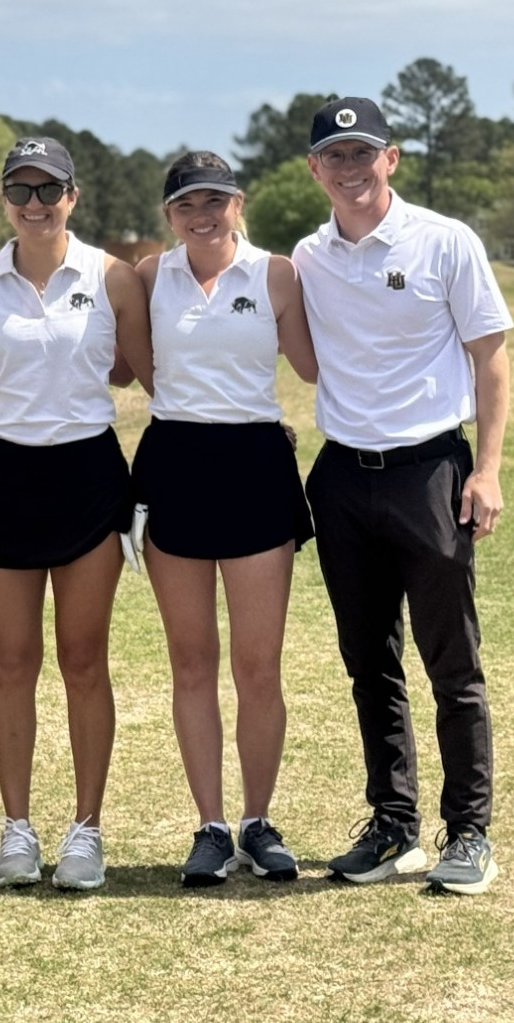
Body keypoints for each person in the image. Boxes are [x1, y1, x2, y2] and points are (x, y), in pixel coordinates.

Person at [292, 97, 512, 895]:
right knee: (369, 663)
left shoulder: (446, 242)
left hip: (431, 474)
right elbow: (308, 359)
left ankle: (469, 831)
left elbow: (490, 357)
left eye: (364, 153)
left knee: (452, 662)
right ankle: (393, 825)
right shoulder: (308, 257)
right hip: (344, 476)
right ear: (315, 169)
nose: (350, 170)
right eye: (335, 157)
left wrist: (486, 470)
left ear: (393, 157)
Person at [0, 137, 153, 890]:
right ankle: (17, 830)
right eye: (20, 190)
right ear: (4, 199)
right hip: (4, 476)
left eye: (49, 190)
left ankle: (86, 830)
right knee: (11, 661)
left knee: (83, 658)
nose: (35, 204)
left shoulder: (114, 278)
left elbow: (148, 375)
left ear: (73, 195)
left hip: (89, 475)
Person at [131, 151, 319, 887]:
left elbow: (310, 365)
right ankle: (210, 825)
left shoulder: (277, 275)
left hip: (256, 470)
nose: (203, 216)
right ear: (169, 215)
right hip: (175, 462)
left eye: (216, 201)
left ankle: (257, 821)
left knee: (257, 663)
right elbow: (137, 365)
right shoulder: (149, 276)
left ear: (238, 204)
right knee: (192, 661)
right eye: (187, 205)